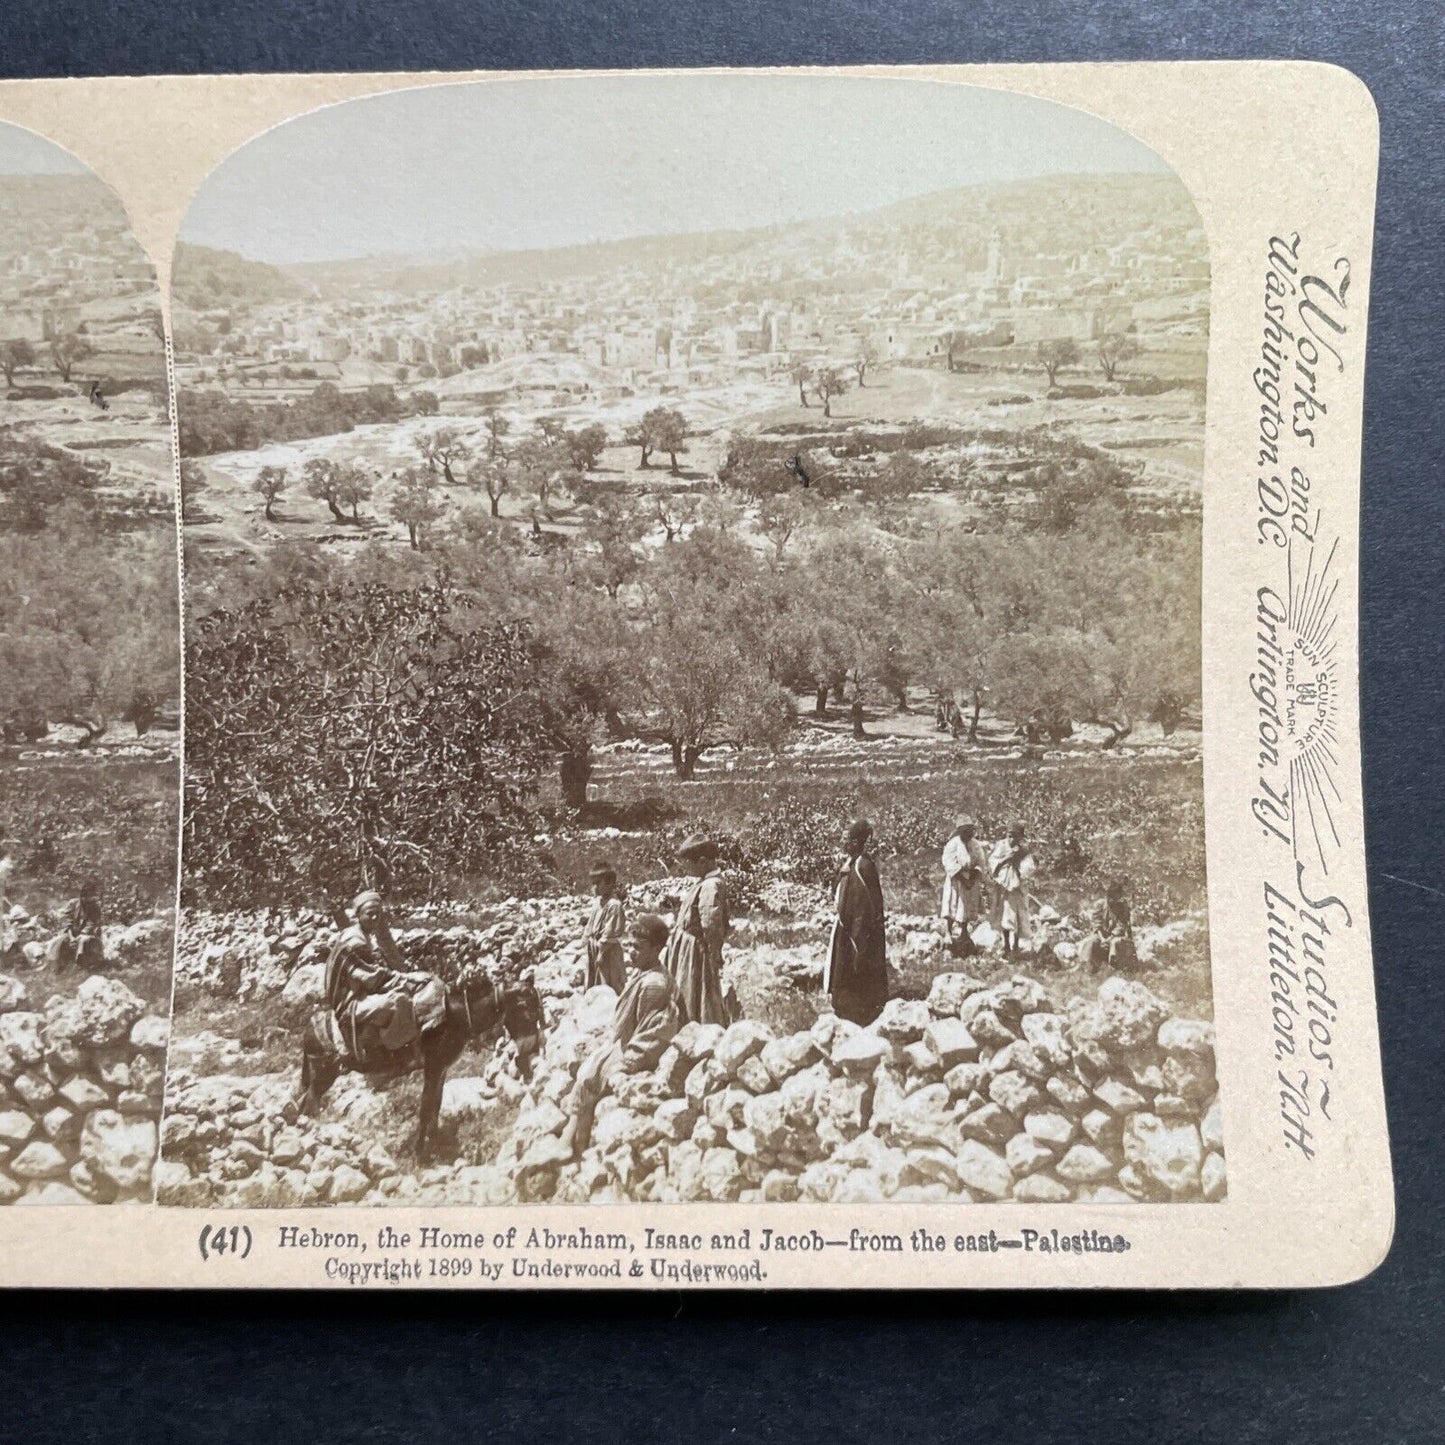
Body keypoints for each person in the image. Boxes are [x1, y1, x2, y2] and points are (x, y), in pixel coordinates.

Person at [561, 913, 683, 1157]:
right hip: (623, 1044)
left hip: (636, 1055)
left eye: (638, 947)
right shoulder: (642, 974)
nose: (631, 952)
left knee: (590, 1077)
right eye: (629, 946)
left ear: (657, 949)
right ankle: (571, 1137)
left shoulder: (654, 985)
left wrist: (626, 1062)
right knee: (588, 1069)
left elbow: (651, 1033)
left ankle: (576, 1144)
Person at [324, 890, 444, 1064]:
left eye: (378, 914)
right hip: (350, 1000)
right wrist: (408, 978)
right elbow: (373, 978)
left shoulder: (361, 934)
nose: (374, 918)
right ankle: (389, 1053)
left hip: (359, 991)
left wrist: (404, 977)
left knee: (402, 993)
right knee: (400, 1001)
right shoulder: (355, 940)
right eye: (369, 914)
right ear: (358, 915)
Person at [825, 818, 889, 1025]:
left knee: (858, 969)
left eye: (846, 839)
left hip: (859, 931)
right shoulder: (851, 864)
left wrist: (858, 938)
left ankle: (861, 1015)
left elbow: (865, 906)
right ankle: (848, 1011)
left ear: (855, 842)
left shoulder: (864, 866)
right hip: (847, 928)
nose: (843, 843)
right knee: (844, 970)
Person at [664, 834, 730, 1026]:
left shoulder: (711, 885)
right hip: (687, 944)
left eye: (688, 865)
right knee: (685, 983)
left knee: (696, 986)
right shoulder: (704, 882)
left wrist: (714, 950)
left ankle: (697, 1022)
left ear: (702, 862)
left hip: (696, 948)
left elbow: (711, 922)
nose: (685, 869)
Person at [940, 817, 988, 954]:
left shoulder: (975, 845)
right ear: (960, 832)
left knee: (966, 907)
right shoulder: (953, 845)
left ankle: (964, 932)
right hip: (956, 879)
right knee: (952, 905)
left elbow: (981, 861)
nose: (969, 834)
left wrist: (973, 877)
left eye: (971, 831)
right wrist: (962, 878)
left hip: (971, 879)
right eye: (966, 832)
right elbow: (949, 863)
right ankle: (948, 932)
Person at [989, 823, 1037, 957]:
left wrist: (1017, 864)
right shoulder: (1001, 846)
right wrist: (1006, 859)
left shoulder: (1023, 851)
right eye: (1009, 836)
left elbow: (1028, 868)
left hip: (1017, 889)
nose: (1011, 840)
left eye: (1015, 837)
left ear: (1021, 837)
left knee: (1016, 916)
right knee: (1004, 914)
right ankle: (1006, 945)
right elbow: (993, 862)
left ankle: (1015, 945)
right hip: (1003, 887)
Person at [582, 862, 627, 992]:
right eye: (593, 884)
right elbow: (590, 924)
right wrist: (585, 942)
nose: (594, 887)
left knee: (608, 980)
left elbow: (610, 932)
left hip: (607, 949)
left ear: (610, 883)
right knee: (593, 978)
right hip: (594, 947)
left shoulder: (614, 905)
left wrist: (601, 951)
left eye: (598, 883)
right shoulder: (598, 903)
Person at [45, 879, 104, 971]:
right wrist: (71, 937)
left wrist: (79, 936)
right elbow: (66, 921)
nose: (88, 900)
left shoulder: (95, 908)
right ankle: (56, 965)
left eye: (91, 897)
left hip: (87, 934)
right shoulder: (73, 903)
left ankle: (80, 964)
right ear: (82, 896)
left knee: (83, 941)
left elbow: (91, 925)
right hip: (70, 932)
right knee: (58, 941)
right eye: (85, 897)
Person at [1082, 881, 1139, 973]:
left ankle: (1114, 968)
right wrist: (1102, 938)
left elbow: (1121, 926)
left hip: (1116, 936)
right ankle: (1089, 968)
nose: (1111, 900)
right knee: (1092, 941)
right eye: (1110, 897)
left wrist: (1109, 938)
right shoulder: (1099, 905)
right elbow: (1097, 924)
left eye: (1115, 897)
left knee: (1115, 942)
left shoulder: (1122, 907)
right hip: (1102, 935)